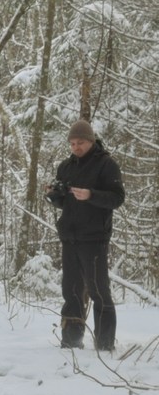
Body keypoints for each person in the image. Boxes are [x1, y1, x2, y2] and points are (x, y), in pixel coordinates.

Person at [46, 118, 125, 352]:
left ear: (91, 141)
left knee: (98, 291)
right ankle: (71, 343)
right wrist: (54, 195)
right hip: (69, 237)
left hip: (94, 238)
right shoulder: (66, 166)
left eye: (80, 143)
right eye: (72, 144)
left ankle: (104, 345)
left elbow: (117, 198)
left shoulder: (106, 164)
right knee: (71, 291)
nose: (76, 147)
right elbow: (65, 203)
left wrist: (91, 195)